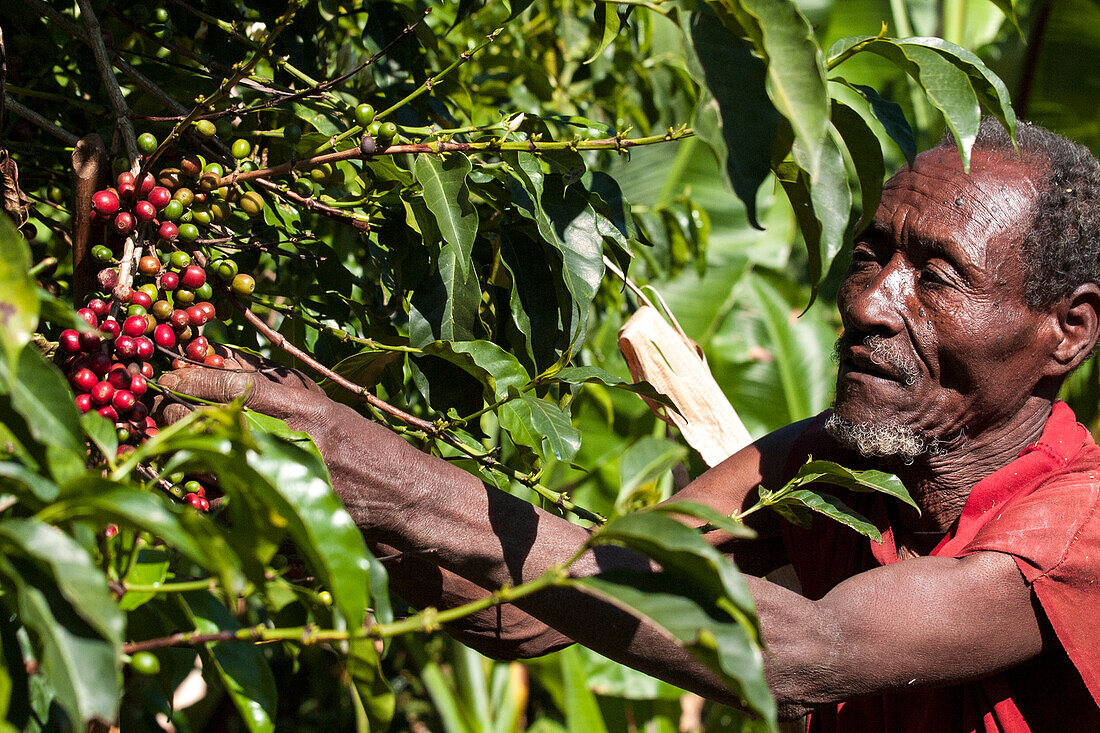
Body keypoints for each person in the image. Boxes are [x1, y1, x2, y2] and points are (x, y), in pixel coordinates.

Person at [158, 119, 1100, 732]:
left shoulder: (1078, 527)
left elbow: (811, 651)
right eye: (871, 254)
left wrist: (380, 469)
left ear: (1068, 330)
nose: (872, 303)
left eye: (937, 277)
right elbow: (523, 615)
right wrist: (314, 474)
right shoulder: (835, 464)